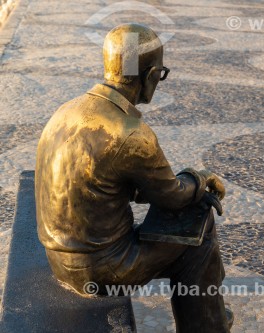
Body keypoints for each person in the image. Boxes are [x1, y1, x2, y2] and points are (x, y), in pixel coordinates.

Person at [35, 23, 232, 332]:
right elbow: (173, 195)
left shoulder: (66, 112)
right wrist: (200, 178)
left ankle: (210, 316)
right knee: (199, 220)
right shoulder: (129, 133)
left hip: (59, 261)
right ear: (151, 75)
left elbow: (105, 182)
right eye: (160, 74)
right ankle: (207, 323)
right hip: (102, 271)